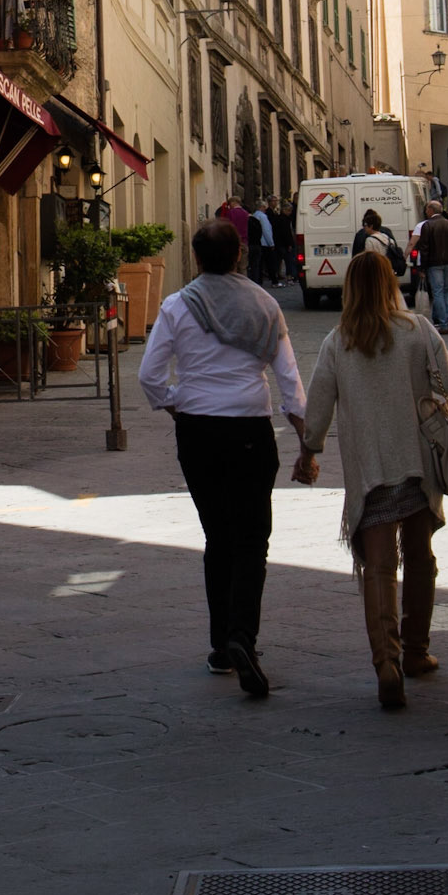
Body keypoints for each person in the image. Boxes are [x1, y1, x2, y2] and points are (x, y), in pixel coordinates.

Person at [139, 216, 307, 700]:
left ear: (195, 258)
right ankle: (242, 637)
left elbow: (150, 376)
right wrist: (306, 441)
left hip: (198, 430)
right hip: (250, 427)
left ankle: (220, 646)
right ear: (239, 254)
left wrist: (178, 403)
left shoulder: (177, 305)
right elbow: (289, 379)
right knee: (252, 539)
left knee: (218, 536)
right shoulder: (265, 304)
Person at [293, 251, 448, 709]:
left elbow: (319, 406)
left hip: (370, 470)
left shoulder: (337, 342)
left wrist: (309, 452)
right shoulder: (418, 330)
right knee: (420, 558)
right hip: (417, 462)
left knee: (380, 568)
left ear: (349, 289)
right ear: (391, 283)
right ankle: (417, 651)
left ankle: (387, 663)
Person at [417, 201, 448, 334]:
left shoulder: (427, 226)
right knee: (447, 291)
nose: (426, 211)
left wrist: (422, 268)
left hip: (434, 263)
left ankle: (444, 323)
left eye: (427, 209)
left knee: (437, 292)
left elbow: (424, 248)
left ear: (431, 210)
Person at [271, 197, 296, 284]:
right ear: (284, 210)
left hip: (277, 243)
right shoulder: (285, 220)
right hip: (284, 244)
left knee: (278, 261)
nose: (290, 212)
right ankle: (289, 277)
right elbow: (287, 233)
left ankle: (275, 277)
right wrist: (289, 244)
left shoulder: (277, 218)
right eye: (289, 211)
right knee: (288, 261)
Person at [252, 200, 277, 285]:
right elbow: (266, 230)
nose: (265, 209)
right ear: (262, 207)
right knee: (270, 262)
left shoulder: (254, 215)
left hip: (257, 242)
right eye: (264, 207)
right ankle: (274, 281)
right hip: (265, 243)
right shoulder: (263, 216)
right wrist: (271, 243)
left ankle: (258, 281)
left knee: (258, 264)